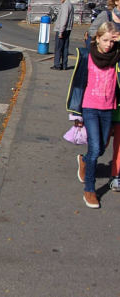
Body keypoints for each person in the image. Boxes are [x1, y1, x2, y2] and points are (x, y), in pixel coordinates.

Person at [68, 22, 120, 208]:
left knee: (100, 149)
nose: (108, 45)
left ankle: (84, 160)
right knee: (96, 148)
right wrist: (76, 115)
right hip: (90, 107)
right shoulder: (87, 57)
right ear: (97, 38)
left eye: (111, 41)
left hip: (109, 108)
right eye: (105, 40)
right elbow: (77, 86)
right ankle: (90, 190)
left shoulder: (116, 57)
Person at [52, 0, 74, 70]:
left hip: (62, 29)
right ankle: (64, 65)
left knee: (58, 48)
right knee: (65, 47)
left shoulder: (65, 5)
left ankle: (57, 65)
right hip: (68, 29)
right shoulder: (70, 5)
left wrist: (61, 31)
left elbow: (64, 19)